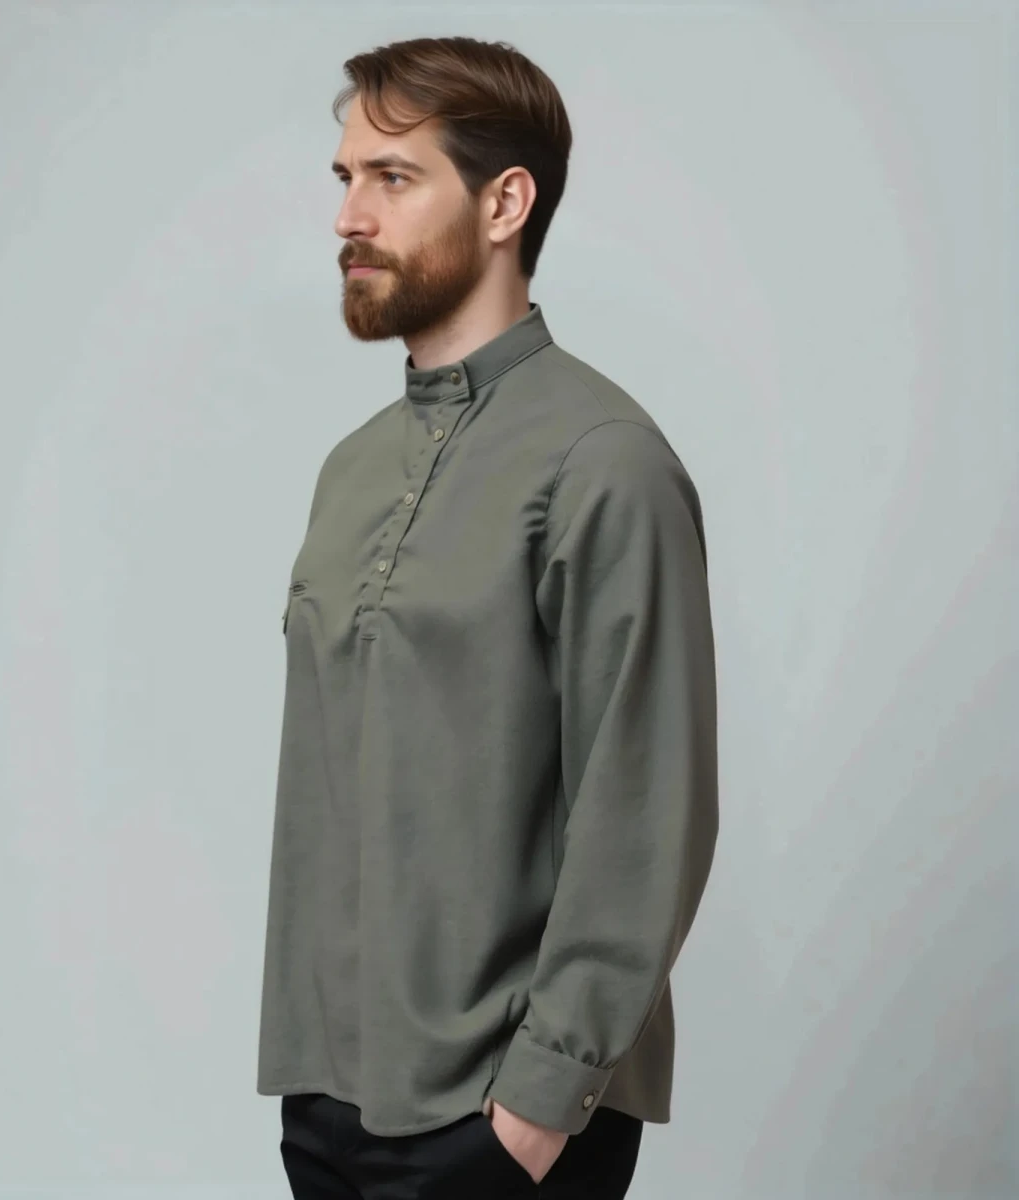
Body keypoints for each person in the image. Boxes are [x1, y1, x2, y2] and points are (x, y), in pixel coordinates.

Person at [256, 34, 719, 1199]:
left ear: (505, 202)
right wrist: (314, 1094)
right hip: (328, 1099)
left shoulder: (604, 460)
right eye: (345, 177)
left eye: (392, 177)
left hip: (498, 1120)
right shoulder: (350, 470)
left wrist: (537, 1109)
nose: (349, 217)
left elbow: (647, 807)